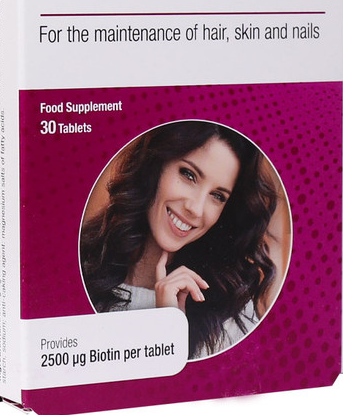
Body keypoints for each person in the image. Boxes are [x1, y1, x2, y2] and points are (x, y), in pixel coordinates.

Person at [80, 121, 279, 358]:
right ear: (155, 165)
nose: (196, 208)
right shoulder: (80, 266)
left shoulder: (232, 313)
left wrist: (172, 329)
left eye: (217, 196)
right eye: (188, 175)